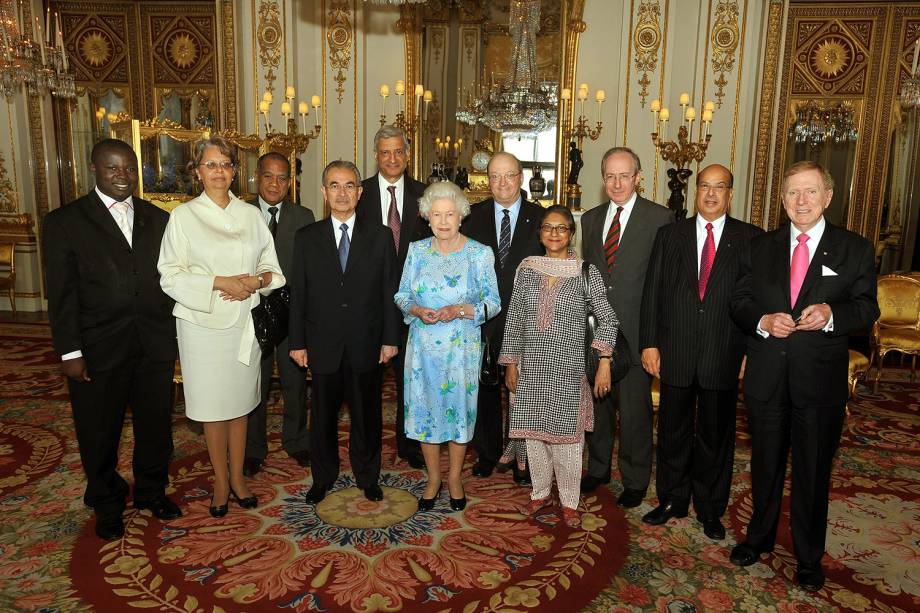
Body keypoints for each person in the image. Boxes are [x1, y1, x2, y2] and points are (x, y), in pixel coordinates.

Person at [729, 161, 879, 592]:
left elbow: (868, 308)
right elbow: (738, 301)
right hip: (767, 376)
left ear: (828, 197)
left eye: (810, 192)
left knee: (813, 472)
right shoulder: (760, 247)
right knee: (765, 466)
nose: (801, 201)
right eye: (793, 192)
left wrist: (833, 313)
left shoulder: (854, 248)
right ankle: (757, 539)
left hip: (819, 383)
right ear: (782, 198)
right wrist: (762, 320)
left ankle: (809, 557)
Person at [43, 138, 181, 540]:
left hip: (152, 344)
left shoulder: (158, 218)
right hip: (97, 348)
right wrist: (70, 351)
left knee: (156, 427)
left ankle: (152, 492)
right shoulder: (65, 222)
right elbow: (62, 294)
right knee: (98, 430)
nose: (122, 176)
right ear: (94, 170)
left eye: (128, 168)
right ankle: (106, 503)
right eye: (112, 169)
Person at [158, 136, 285, 518]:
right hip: (203, 325)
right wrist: (218, 282)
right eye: (211, 165)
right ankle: (219, 480)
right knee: (214, 408)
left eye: (225, 165)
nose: (219, 172)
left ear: (235, 171)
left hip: (244, 322)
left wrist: (257, 282)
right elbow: (169, 275)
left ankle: (240, 480)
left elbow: (272, 267)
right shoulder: (182, 217)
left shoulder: (251, 215)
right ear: (197, 171)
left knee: (242, 404)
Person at [639, 164, 763, 540]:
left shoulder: (751, 239)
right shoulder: (669, 235)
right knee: (672, 431)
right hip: (674, 351)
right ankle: (672, 499)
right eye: (704, 187)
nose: (711, 194)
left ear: (730, 193)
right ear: (696, 192)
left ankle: (710, 508)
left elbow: (756, 301)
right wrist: (649, 343)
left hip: (723, 353)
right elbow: (653, 294)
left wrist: (749, 352)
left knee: (715, 436)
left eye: (719, 187)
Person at [289, 160, 400, 504]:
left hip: (366, 343)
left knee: (367, 416)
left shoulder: (380, 236)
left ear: (360, 192)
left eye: (349, 185)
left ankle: (368, 476)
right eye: (334, 186)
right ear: (324, 192)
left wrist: (390, 338)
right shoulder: (307, 238)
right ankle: (323, 477)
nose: (342, 193)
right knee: (321, 418)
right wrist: (297, 343)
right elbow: (300, 293)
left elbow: (389, 290)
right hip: (322, 344)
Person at [499, 205, 617, 528]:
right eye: (548, 227)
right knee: (535, 438)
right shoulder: (527, 269)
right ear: (540, 233)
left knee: (568, 440)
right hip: (531, 367)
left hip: (568, 370)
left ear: (571, 233)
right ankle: (539, 493)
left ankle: (568, 500)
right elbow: (515, 319)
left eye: (562, 228)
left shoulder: (585, 272)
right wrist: (510, 362)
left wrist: (604, 360)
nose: (554, 233)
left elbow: (607, 319)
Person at [394, 181, 501, 511]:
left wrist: (459, 310)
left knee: (457, 414)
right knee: (426, 414)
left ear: (461, 215)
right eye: (436, 214)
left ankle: (454, 477)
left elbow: (493, 303)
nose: (443, 221)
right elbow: (402, 296)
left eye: (450, 214)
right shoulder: (417, 251)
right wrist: (416, 310)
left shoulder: (479, 254)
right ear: (427, 217)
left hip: (461, 349)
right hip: (423, 348)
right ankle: (433, 478)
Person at [579, 146, 674, 507]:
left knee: (635, 415)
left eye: (624, 175)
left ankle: (635, 480)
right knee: (598, 409)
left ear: (638, 177)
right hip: (595, 333)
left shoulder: (660, 218)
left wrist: (656, 338)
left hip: (637, 333)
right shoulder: (590, 219)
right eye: (610, 176)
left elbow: (664, 283)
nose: (617, 183)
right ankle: (599, 468)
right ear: (603, 180)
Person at [461, 152, 543, 482]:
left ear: (521, 177)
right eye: (495, 176)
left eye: (509, 175)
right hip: (485, 319)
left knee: (524, 391)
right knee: (486, 387)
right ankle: (488, 452)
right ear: (488, 181)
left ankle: (523, 456)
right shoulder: (473, 216)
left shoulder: (541, 217)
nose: (502, 183)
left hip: (526, 316)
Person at [356, 125, 431, 470]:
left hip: (414, 305)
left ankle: (409, 444)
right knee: (366, 381)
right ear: (376, 155)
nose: (392, 158)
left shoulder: (425, 194)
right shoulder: (358, 193)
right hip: (370, 304)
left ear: (408, 154)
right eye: (385, 152)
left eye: (398, 151)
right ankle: (367, 446)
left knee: (411, 379)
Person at [243, 152, 316, 477]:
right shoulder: (239, 213)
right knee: (252, 382)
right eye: (268, 176)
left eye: (282, 177)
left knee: (294, 382)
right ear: (257, 177)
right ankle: (253, 448)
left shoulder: (304, 216)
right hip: (250, 310)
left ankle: (297, 440)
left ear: (290, 182)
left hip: (291, 311)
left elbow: (311, 270)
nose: (275, 183)